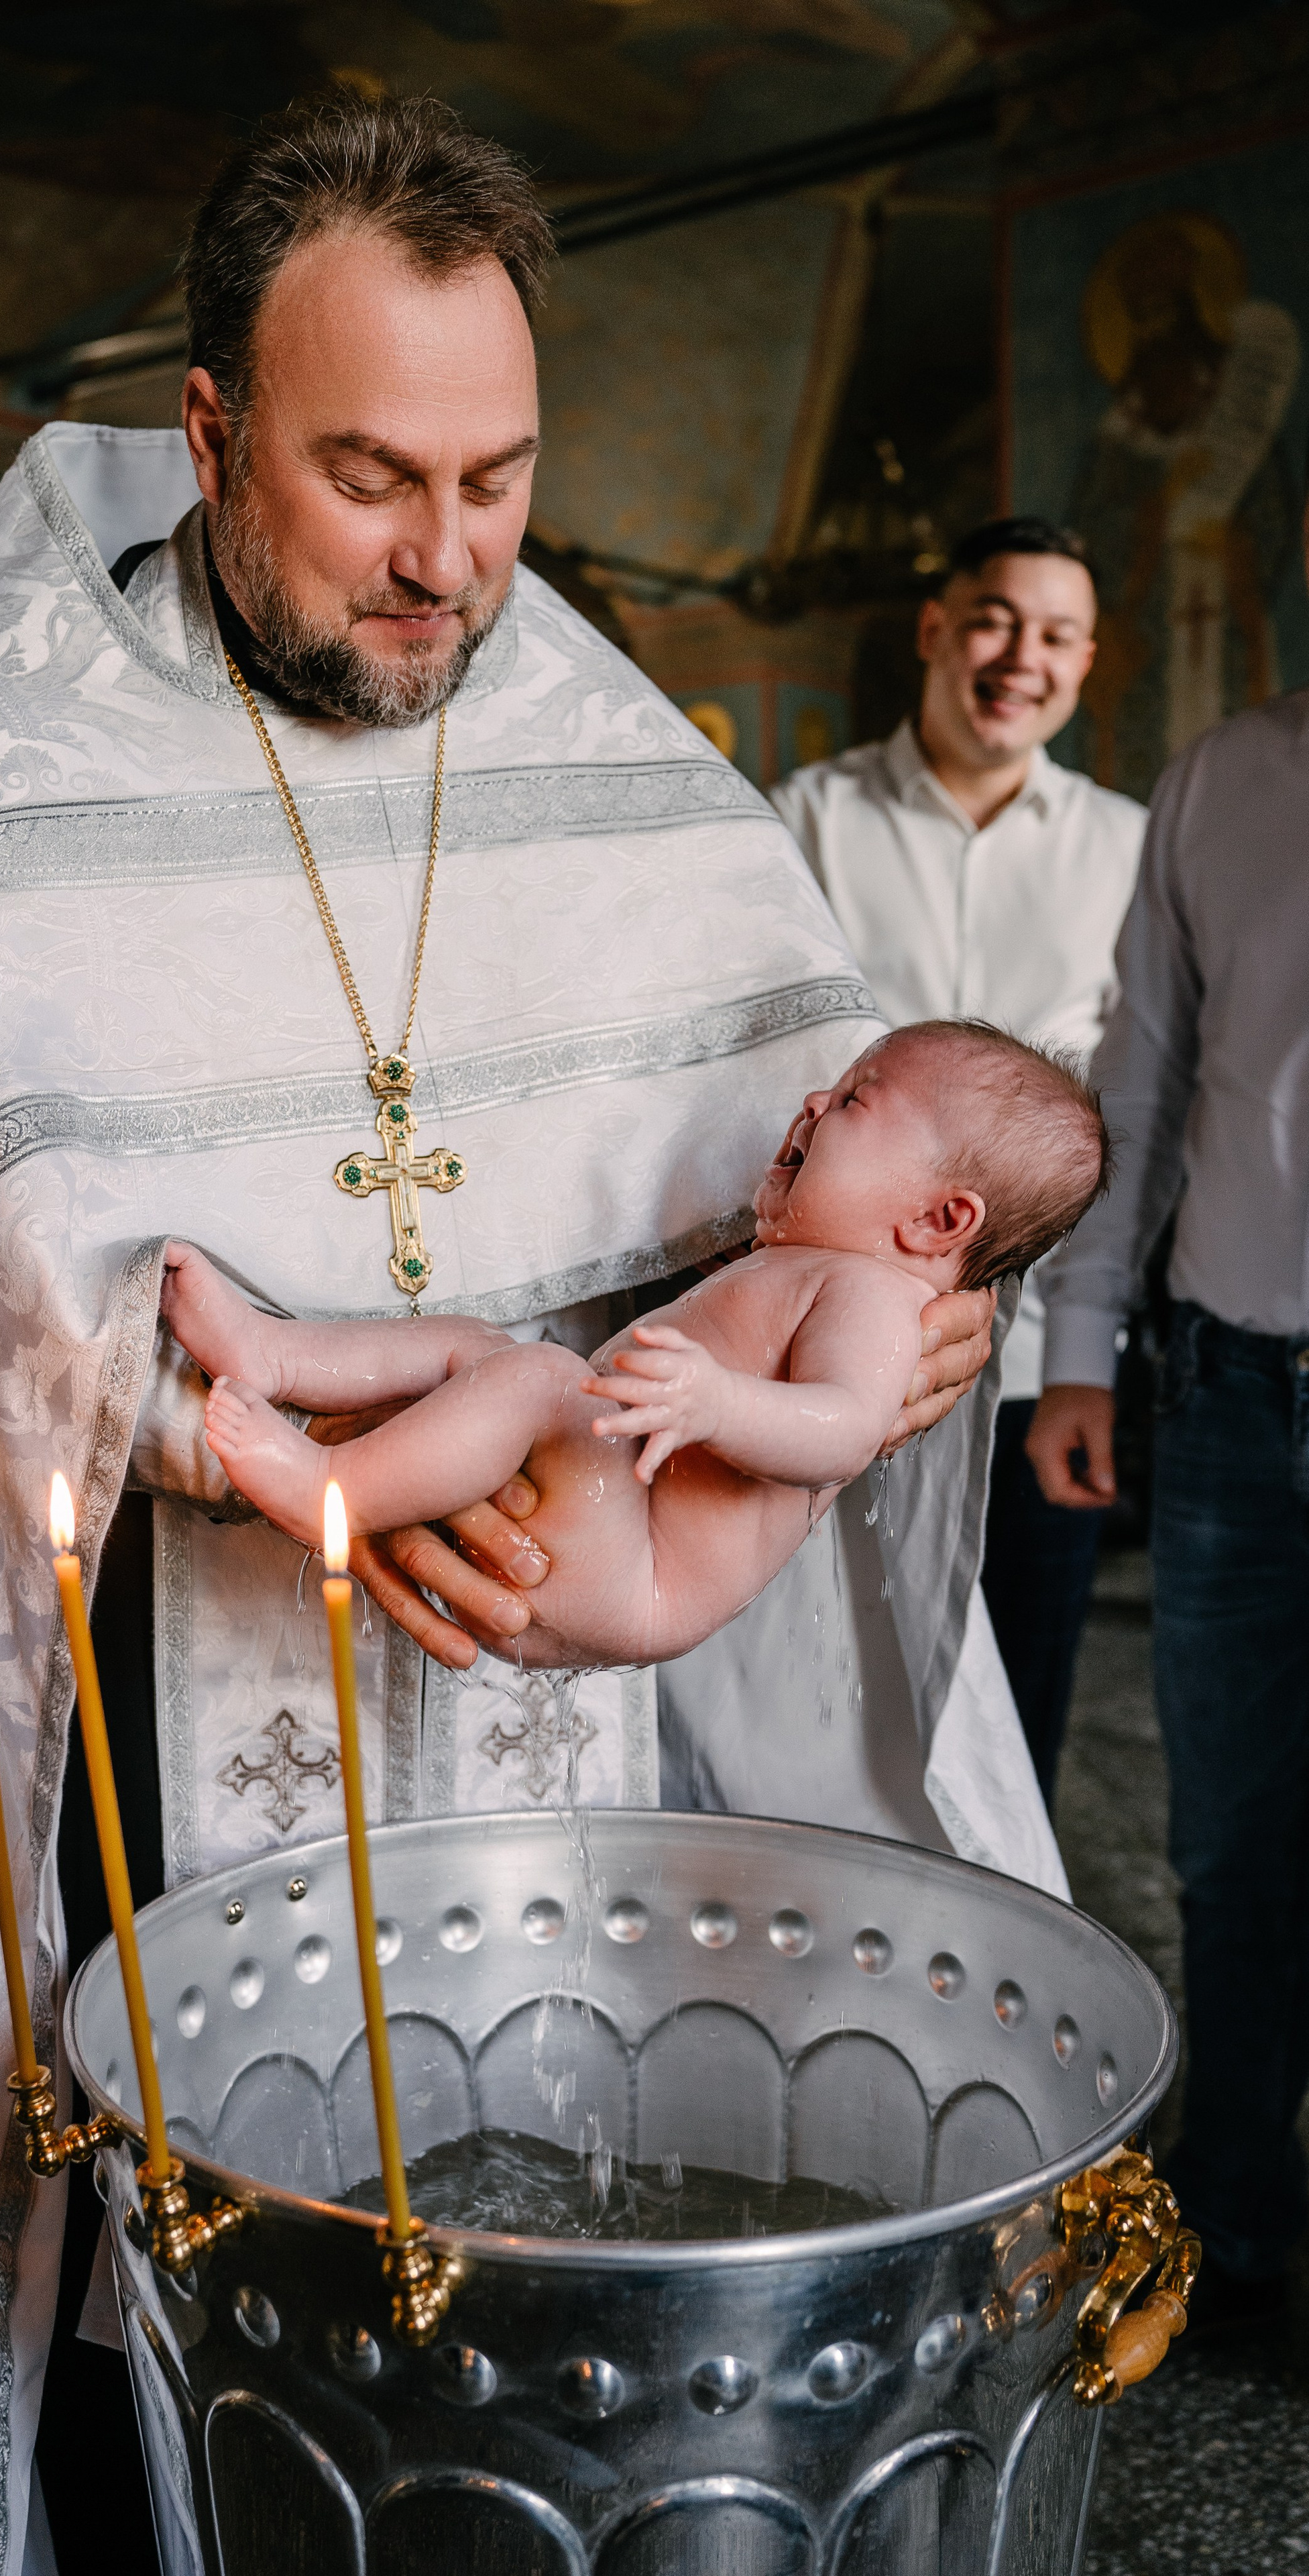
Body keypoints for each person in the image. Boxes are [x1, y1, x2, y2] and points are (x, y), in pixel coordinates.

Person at [0, 97, 1048, 2576]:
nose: (447, 559)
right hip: (165, 1662)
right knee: (185, 2343)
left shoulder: (610, 761)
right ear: (213, 432)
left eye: (498, 479)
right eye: (371, 480)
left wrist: (904, 1346)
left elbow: (862, 1141)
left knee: (553, 2297)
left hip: (570, 1692)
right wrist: (205, 1415)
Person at [168, 1026, 1108, 1666]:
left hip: (638, 1573)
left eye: (859, 1099)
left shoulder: (870, 1298)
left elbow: (847, 1431)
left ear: (940, 1221)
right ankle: (272, 1356)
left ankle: (328, 1494)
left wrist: (718, 1404)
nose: (819, 1097)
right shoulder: (818, 1263)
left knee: (536, 1375)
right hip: (609, 1526)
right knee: (481, 1349)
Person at [1029, 578, 1309, 2334]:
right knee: (1234, 1840)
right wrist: (1078, 1358)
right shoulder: (1224, 778)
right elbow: (1137, 1085)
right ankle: (1238, 2217)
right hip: (1226, 1391)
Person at [770, 517, 1146, 1808]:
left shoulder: (1128, 848)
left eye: (1054, 635)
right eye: (993, 618)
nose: (1018, 656)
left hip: (1042, 1368)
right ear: (936, 631)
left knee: (1017, 1710)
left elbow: (1139, 1109)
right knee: (825, 1688)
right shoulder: (803, 821)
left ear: (1086, 663)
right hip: (819, 1346)